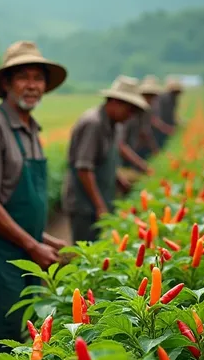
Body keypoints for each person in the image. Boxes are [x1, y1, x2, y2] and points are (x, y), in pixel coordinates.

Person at [0, 41, 68, 348]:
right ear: (6, 83)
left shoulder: (31, 128)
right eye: (23, 77)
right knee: (4, 348)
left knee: (28, 343)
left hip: (24, 253)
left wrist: (44, 239)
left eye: (38, 78)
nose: (32, 85)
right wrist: (33, 244)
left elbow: (15, 201)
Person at [62, 76, 149, 243]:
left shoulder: (114, 125)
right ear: (115, 102)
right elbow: (84, 169)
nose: (130, 116)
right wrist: (100, 205)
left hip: (99, 198)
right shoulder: (93, 123)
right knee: (85, 253)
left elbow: (104, 160)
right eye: (129, 110)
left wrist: (119, 180)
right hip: (85, 204)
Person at [119, 75, 162, 165]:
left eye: (152, 96)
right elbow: (120, 143)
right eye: (147, 95)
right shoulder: (126, 114)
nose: (149, 99)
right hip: (123, 155)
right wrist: (140, 163)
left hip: (133, 150)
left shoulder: (146, 110)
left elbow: (145, 131)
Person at [153, 76, 184, 148]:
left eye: (177, 92)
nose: (177, 94)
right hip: (159, 128)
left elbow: (173, 114)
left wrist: (179, 122)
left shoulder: (174, 99)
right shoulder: (163, 98)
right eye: (175, 92)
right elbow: (155, 118)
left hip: (166, 126)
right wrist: (166, 128)